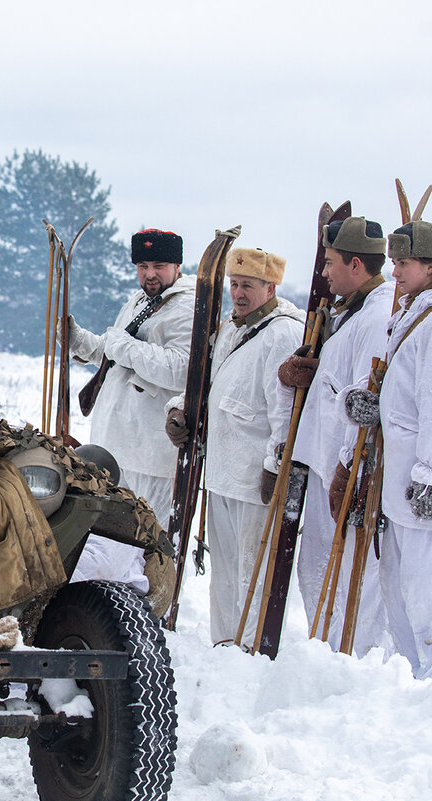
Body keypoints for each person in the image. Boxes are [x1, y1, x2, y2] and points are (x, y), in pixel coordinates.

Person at [343, 220, 432, 679]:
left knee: (431, 602)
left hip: (427, 492)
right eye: (396, 262)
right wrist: (377, 408)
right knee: (403, 596)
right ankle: (414, 685)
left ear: (430, 266)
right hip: (404, 487)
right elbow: (410, 398)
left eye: (404, 263)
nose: (396, 272)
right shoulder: (415, 317)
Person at [164, 247, 303, 643]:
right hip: (221, 474)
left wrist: (275, 465)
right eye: (235, 284)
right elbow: (208, 385)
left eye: (249, 286)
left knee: (253, 571)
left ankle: (254, 648)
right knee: (224, 573)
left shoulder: (283, 333)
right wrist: (179, 409)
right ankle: (225, 644)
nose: (238, 293)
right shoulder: (230, 328)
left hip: (253, 478)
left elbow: (285, 409)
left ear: (270, 286)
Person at [278, 216, 393, 655]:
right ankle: (325, 651)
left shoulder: (377, 315)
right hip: (326, 464)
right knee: (319, 565)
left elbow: (364, 402)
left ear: (356, 264)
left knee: (346, 573)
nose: (323, 273)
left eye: (330, 263)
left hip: (342, 469)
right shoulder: (351, 312)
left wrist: (349, 467)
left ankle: (350, 658)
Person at [67, 228, 193, 593]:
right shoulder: (138, 302)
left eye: (158, 265)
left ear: (176, 266)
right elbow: (110, 353)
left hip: (150, 454)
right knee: (109, 543)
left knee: (145, 545)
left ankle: (149, 612)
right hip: (116, 448)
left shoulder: (187, 308)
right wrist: (79, 339)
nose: (150, 274)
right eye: (142, 265)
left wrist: (121, 346)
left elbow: (180, 368)